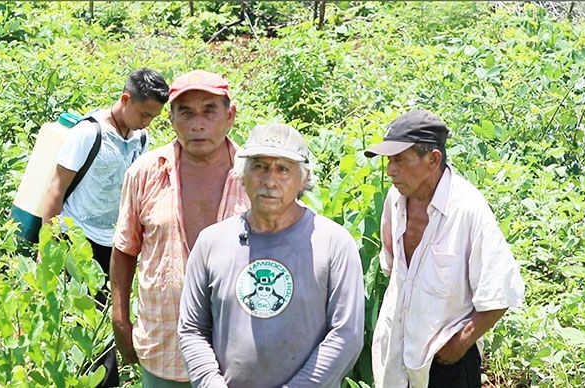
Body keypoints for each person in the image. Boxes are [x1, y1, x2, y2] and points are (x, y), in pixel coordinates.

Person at [178, 123, 365, 387]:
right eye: (259, 166)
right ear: (242, 175)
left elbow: (347, 334)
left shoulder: (334, 243)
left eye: (283, 169)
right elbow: (192, 328)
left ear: (303, 179)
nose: (269, 181)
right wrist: (211, 383)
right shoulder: (212, 242)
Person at [365, 109, 525, 388]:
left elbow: (501, 291)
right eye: (389, 161)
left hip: (446, 364)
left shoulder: (467, 209)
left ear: (433, 159)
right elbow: (394, 269)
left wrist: (459, 345)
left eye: (399, 160)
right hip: (397, 355)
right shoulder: (395, 199)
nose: (390, 170)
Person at [110, 70, 250, 387]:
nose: (197, 124)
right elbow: (124, 248)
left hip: (235, 354)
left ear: (230, 116)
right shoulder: (145, 173)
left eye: (209, 111)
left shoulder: (255, 177)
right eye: (185, 113)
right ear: (171, 119)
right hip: (163, 347)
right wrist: (120, 320)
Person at [42, 68, 169, 387]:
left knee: (106, 316)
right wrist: (49, 248)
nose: (146, 122)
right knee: (83, 317)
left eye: (153, 117)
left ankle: (96, 379)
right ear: (125, 99)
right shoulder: (89, 133)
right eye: (143, 113)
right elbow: (56, 188)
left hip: (114, 242)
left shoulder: (140, 137)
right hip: (76, 239)